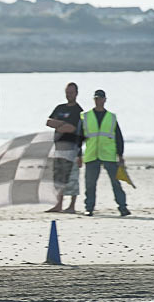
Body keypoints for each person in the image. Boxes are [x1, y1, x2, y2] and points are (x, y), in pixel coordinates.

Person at [77, 89, 130, 217]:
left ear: (105, 100)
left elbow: (118, 137)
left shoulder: (111, 117)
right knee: (90, 183)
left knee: (115, 183)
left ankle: (123, 207)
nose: (98, 101)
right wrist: (78, 155)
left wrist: (120, 155)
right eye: (96, 99)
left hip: (109, 154)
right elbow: (79, 137)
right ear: (94, 100)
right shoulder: (85, 116)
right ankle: (89, 208)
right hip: (92, 154)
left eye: (100, 98)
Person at [45, 82, 83, 213]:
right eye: (67, 92)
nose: (69, 95)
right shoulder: (60, 108)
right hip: (59, 147)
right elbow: (48, 122)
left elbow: (72, 128)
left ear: (76, 93)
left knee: (72, 178)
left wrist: (59, 125)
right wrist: (62, 124)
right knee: (58, 178)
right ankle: (58, 204)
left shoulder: (78, 111)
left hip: (72, 148)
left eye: (71, 92)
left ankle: (72, 206)